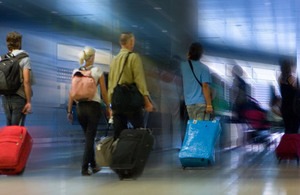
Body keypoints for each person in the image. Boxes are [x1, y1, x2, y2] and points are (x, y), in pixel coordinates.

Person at [67, 46, 111, 176]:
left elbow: (71, 93)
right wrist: (108, 107)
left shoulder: (75, 71)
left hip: (79, 108)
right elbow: (103, 92)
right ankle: (84, 168)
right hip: (93, 107)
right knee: (90, 138)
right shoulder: (97, 71)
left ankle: (94, 165)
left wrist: (70, 111)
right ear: (92, 57)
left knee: (88, 136)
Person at [108, 32, 154, 139]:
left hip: (117, 102)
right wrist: (147, 101)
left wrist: (110, 105)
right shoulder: (134, 57)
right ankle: (135, 154)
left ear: (121, 43)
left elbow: (111, 84)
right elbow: (140, 81)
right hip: (131, 101)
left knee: (119, 135)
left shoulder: (114, 60)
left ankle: (120, 154)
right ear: (132, 42)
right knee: (139, 132)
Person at [1, 31, 34, 126]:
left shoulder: (2, 59)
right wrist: (28, 102)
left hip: (5, 96)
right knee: (17, 128)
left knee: (9, 125)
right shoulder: (24, 58)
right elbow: (27, 81)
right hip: (19, 97)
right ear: (19, 42)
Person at [181, 42, 213, 120]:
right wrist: (209, 105)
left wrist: (188, 58)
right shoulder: (204, 68)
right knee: (201, 127)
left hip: (189, 103)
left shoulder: (182, 66)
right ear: (201, 54)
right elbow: (205, 86)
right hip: (201, 103)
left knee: (194, 127)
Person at [278, 58, 300, 134]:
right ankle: (292, 145)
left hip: (285, 107)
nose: (295, 67)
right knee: (294, 131)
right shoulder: (291, 79)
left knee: (288, 130)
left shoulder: (280, 78)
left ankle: (288, 145)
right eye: (294, 66)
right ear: (290, 67)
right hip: (293, 108)